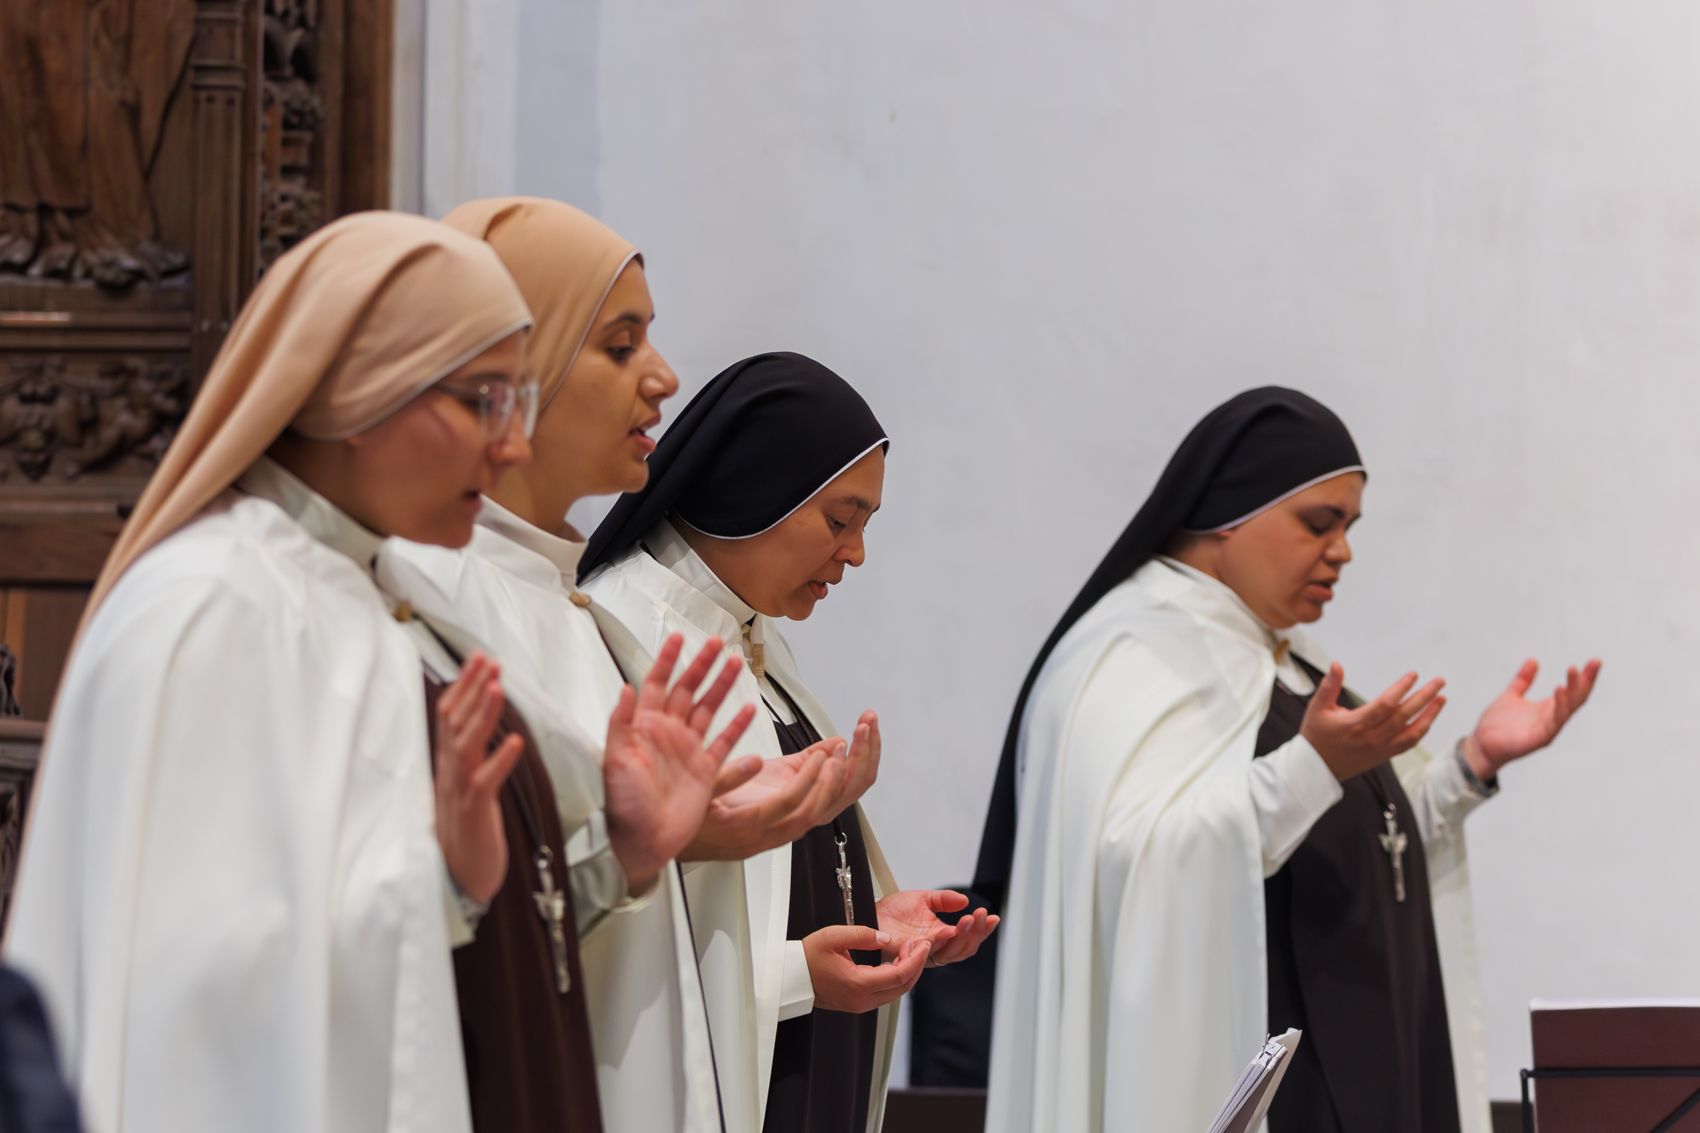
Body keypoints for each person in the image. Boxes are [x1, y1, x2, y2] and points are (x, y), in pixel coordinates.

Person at [5, 212, 748, 1133]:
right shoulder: (216, 610)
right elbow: (201, 1001)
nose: (511, 446)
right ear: (363, 389)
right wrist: (443, 886)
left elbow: (437, 947)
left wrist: (614, 858)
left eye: (516, 405)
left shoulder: (372, 600)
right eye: (485, 402)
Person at [979, 387, 1601, 1133]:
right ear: (1228, 513)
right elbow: (1139, 868)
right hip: (1273, 1081)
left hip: (1371, 1068)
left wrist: (1471, 764)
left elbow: (1360, 842)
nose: (1342, 551)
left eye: (1348, 527)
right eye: (1319, 522)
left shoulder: (1280, 658)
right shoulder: (1132, 656)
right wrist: (1312, 767)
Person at [378, 197, 849, 1132]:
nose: (664, 378)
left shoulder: (569, 606)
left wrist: (675, 840)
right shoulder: (433, 595)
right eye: (620, 344)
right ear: (518, 363)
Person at [582, 351, 999, 1133]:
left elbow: (760, 889)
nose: (856, 552)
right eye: (840, 520)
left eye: (865, 525)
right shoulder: (617, 636)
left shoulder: (754, 643)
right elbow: (599, 931)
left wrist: (870, 921)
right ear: (754, 485)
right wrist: (797, 975)